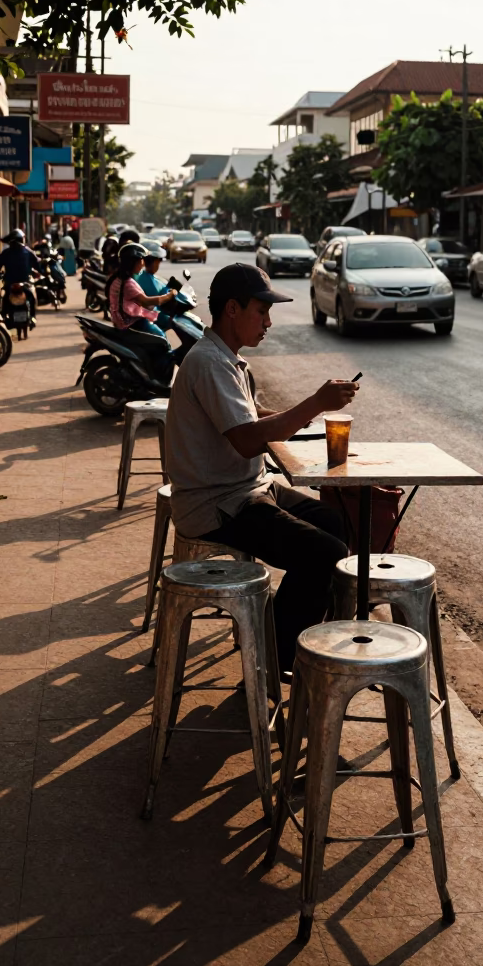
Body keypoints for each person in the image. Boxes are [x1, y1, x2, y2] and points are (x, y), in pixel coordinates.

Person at [165, 263, 358, 672]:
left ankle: (290, 632)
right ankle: (273, 658)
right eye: (262, 311)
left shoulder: (228, 360)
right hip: (216, 503)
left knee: (333, 521)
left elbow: (249, 418)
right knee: (326, 552)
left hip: (249, 487)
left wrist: (301, 420)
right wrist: (315, 403)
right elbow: (247, 437)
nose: (268, 322)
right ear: (232, 309)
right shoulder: (209, 363)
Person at [106, 243, 178, 377]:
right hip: (131, 324)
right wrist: (169, 296)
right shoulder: (128, 283)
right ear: (132, 262)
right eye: (140, 261)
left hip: (125, 320)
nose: (143, 263)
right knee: (162, 341)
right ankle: (158, 376)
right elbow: (147, 301)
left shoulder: (120, 278)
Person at [0, 229, 41, 326]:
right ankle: (33, 318)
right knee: (32, 297)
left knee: (5, 300)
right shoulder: (28, 252)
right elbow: (38, 265)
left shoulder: (6, 252)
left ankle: (4, 318)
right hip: (25, 284)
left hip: (10, 284)